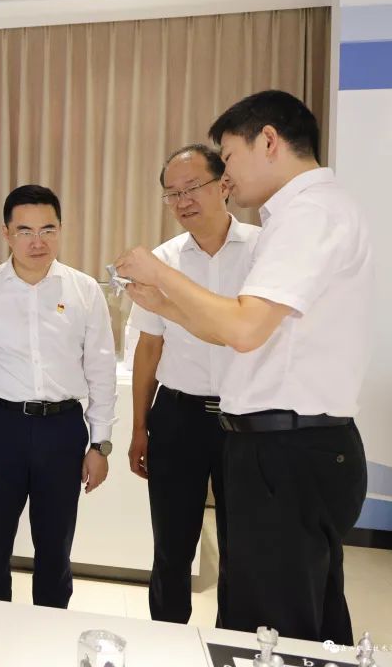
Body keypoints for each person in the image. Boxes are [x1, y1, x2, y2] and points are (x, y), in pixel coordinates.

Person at [115, 90, 371, 644]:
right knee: (284, 610)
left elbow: (242, 329)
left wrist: (161, 277)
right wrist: (166, 304)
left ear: (269, 141)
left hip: (288, 446)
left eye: (227, 157)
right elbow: (235, 331)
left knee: (273, 624)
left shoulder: (306, 216)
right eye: (173, 193)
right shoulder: (305, 214)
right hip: (265, 439)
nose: (227, 173)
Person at [0, 184, 116, 608]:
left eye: (47, 230)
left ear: (60, 229)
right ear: (6, 233)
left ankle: (50, 629)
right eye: (25, 231)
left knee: (55, 547)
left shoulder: (83, 290)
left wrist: (100, 444)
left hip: (62, 429)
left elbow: (101, 371)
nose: (37, 242)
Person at [126, 144, 260, 625]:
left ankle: (233, 640)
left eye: (192, 188)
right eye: (172, 193)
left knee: (244, 546)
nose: (182, 201)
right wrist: (139, 427)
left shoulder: (264, 250)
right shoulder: (162, 260)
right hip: (178, 415)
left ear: (224, 185)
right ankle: (167, 640)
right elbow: (149, 348)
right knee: (172, 544)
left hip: (247, 417)